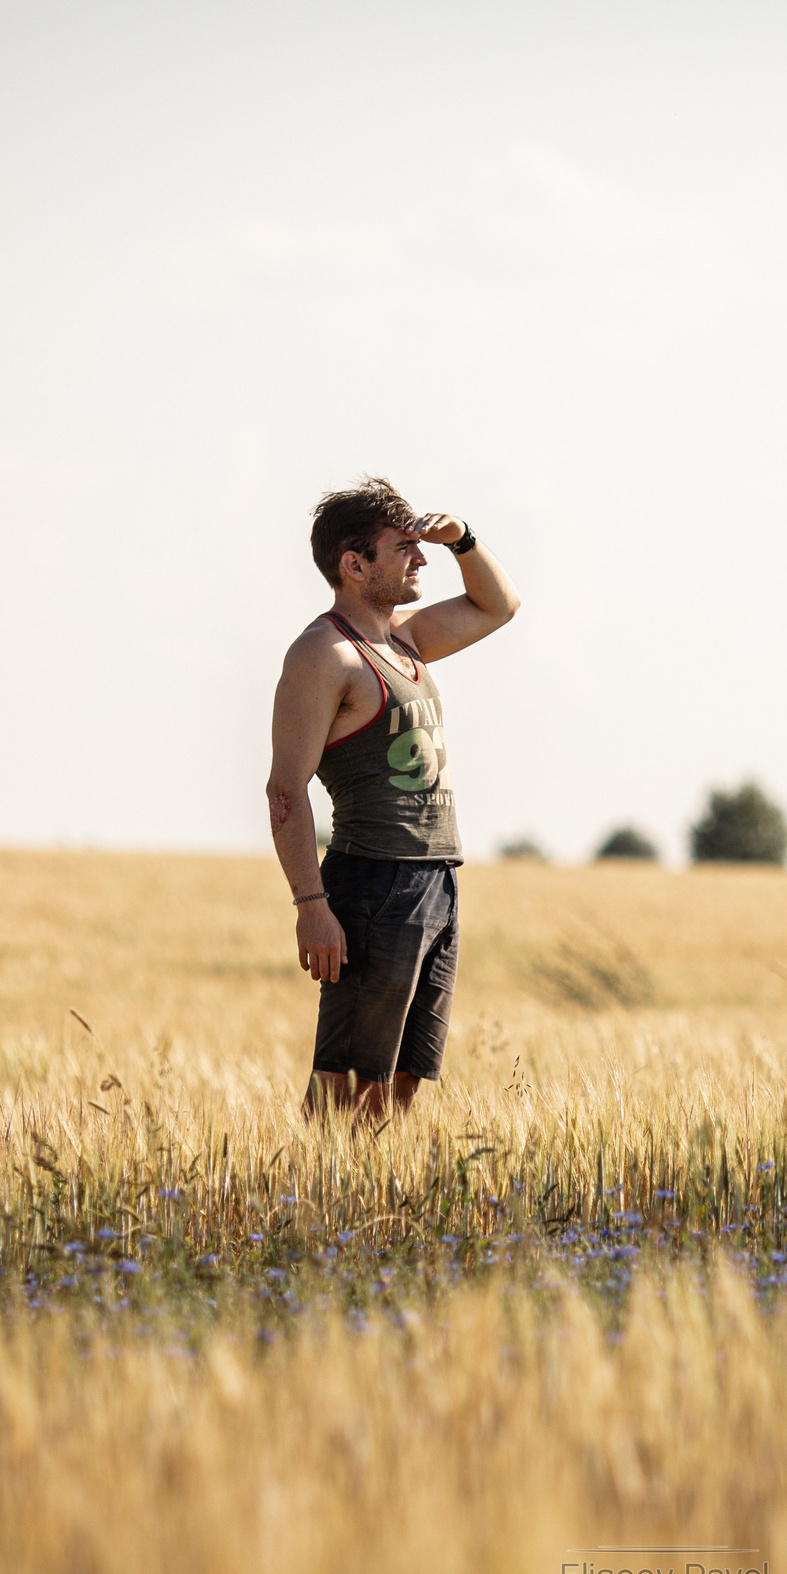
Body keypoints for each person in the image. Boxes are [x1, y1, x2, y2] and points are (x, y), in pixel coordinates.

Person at [266, 478, 520, 1122]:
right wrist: (310, 906)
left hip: (436, 879)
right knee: (348, 1080)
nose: (421, 559)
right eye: (404, 547)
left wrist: (461, 537)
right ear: (354, 565)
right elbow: (285, 789)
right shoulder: (324, 655)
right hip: (372, 881)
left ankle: (367, 1208)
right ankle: (307, 1203)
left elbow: (500, 605)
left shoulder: (404, 638)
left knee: (403, 1083)